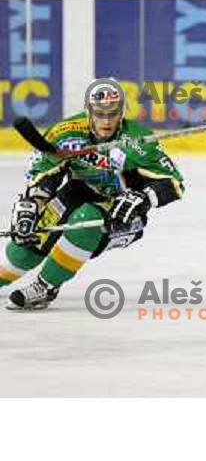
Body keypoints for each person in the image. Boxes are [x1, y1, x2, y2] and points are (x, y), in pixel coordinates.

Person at [0, 79, 185, 310]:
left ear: (122, 111)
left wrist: (144, 198)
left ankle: (45, 286)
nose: (106, 121)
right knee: (29, 241)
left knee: (86, 220)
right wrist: (32, 203)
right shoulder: (65, 133)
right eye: (100, 113)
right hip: (76, 194)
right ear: (88, 111)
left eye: (113, 113)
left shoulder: (138, 140)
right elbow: (45, 170)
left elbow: (174, 184)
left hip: (122, 214)